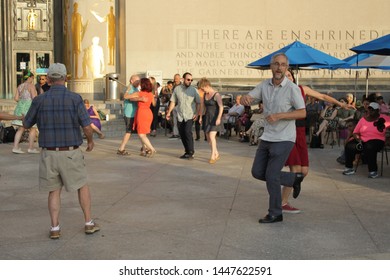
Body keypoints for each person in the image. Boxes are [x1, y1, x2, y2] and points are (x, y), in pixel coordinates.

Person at [23, 63, 100, 239]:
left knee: (54, 191)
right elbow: (87, 126)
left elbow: (27, 124)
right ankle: (88, 223)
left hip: (49, 153)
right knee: (82, 186)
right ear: (65, 79)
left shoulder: (39, 100)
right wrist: (90, 141)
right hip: (70, 152)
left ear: (48, 80)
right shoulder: (75, 98)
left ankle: (55, 228)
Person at [240, 53, 306, 223]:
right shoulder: (264, 85)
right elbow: (249, 97)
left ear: (286, 68)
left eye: (283, 65)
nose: (279, 67)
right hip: (268, 136)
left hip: (284, 138)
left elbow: (302, 112)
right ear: (271, 66)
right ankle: (293, 178)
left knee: (272, 174)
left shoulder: (292, 88)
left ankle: (276, 212)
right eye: (276, 64)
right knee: (257, 172)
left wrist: (280, 116)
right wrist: (245, 98)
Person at [281, 69, 354, 213]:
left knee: (304, 171)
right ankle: (282, 203)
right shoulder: (280, 93)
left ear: (293, 77)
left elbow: (322, 96)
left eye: (289, 75)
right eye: (284, 76)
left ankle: (295, 183)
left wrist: (341, 105)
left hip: (301, 132)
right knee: (294, 169)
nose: (287, 77)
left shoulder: (302, 89)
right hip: (288, 133)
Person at [342, 102, 390, 179]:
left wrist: (388, 137)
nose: (370, 112)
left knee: (369, 147)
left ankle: (373, 171)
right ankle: (349, 168)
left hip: (378, 140)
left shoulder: (384, 118)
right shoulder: (363, 120)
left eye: (373, 110)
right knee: (349, 146)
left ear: (378, 111)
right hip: (363, 140)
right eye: (369, 110)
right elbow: (355, 132)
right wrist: (358, 139)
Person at [166, 72, 200, 159]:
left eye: (191, 80)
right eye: (188, 79)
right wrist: (169, 112)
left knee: (187, 132)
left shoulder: (194, 90)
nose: (190, 81)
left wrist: (197, 113)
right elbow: (173, 101)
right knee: (182, 133)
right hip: (180, 115)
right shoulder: (177, 89)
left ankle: (191, 151)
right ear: (183, 79)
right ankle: (187, 151)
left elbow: (198, 103)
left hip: (190, 115)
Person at [12, 70, 39, 154]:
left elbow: (16, 98)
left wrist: (22, 101)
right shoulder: (31, 86)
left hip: (20, 108)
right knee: (33, 128)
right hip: (29, 108)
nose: (33, 80)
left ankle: (15, 147)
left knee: (21, 128)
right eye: (33, 78)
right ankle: (30, 148)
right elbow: (34, 98)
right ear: (30, 78)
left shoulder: (20, 86)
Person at [198, 77, 223, 163]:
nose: (203, 90)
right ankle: (216, 153)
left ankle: (212, 156)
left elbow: (221, 107)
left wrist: (219, 118)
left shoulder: (216, 94)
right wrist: (200, 117)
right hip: (207, 118)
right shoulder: (205, 95)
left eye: (203, 88)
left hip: (215, 118)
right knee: (208, 139)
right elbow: (203, 107)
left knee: (212, 136)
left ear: (207, 85)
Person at [129, 78, 157, 157]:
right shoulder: (150, 94)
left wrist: (139, 98)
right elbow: (154, 104)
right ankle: (144, 150)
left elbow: (129, 97)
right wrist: (154, 97)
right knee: (142, 133)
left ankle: (151, 149)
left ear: (143, 84)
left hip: (142, 113)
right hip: (148, 113)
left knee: (141, 134)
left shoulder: (139, 93)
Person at [117, 74, 140, 155]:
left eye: (139, 81)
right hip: (129, 113)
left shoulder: (135, 88)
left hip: (135, 113)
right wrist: (138, 98)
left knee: (140, 132)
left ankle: (144, 147)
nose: (138, 82)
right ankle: (121, 148)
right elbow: (126, 97)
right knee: (129, 131)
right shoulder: (129, 88)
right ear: (131, 80)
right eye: (136, 81)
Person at [71, 2, 88, 79]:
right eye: (75, 7)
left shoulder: (78, 16)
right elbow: (71, 27)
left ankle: (76, 74)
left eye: (76, 7)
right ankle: (75, 74)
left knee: (77, 56)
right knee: (75, 56)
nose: (76, 8)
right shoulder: (72, 16)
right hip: (74, 38)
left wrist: (87, 24)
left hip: (77, 39)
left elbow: (82, 27)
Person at [169, 74, 181, 139]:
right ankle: (175, 133)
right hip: (173, 105)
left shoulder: (182, 86)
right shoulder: (173, 86)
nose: (175, 79)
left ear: (180, 78)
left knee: (180, 120)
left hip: (179, 105)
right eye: (174, 78)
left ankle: (180, 133)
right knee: (174, 121)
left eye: (176, 78)